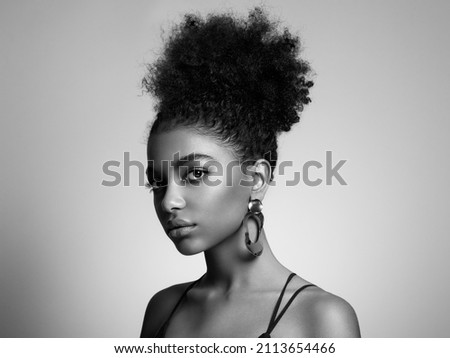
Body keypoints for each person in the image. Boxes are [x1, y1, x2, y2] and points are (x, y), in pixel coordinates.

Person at [140, 8, 360, 338]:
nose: (169, 201)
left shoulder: (322, 318)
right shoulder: (163, 309)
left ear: (255, 179)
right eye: (158, 182)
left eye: (196, 174)